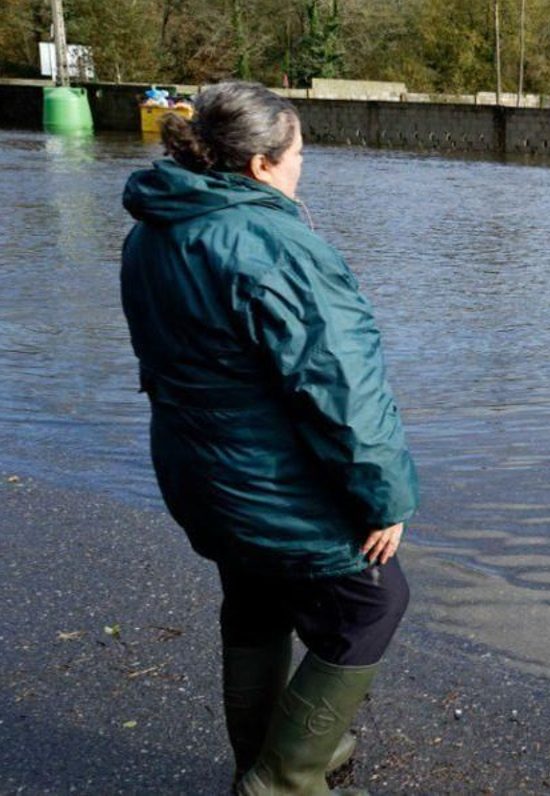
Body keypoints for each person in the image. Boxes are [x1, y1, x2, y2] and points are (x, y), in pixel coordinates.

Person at [119, 80, 418, 793]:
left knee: (255, 599)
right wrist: (385, 496)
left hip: (198, 470)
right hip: (267, 482)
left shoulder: (151, 228)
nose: (301, 167)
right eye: (299, 153)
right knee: (374, 603)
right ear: (260, 164)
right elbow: (342, 387)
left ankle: (263, 752)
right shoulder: (274, 245)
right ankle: (284, 778)